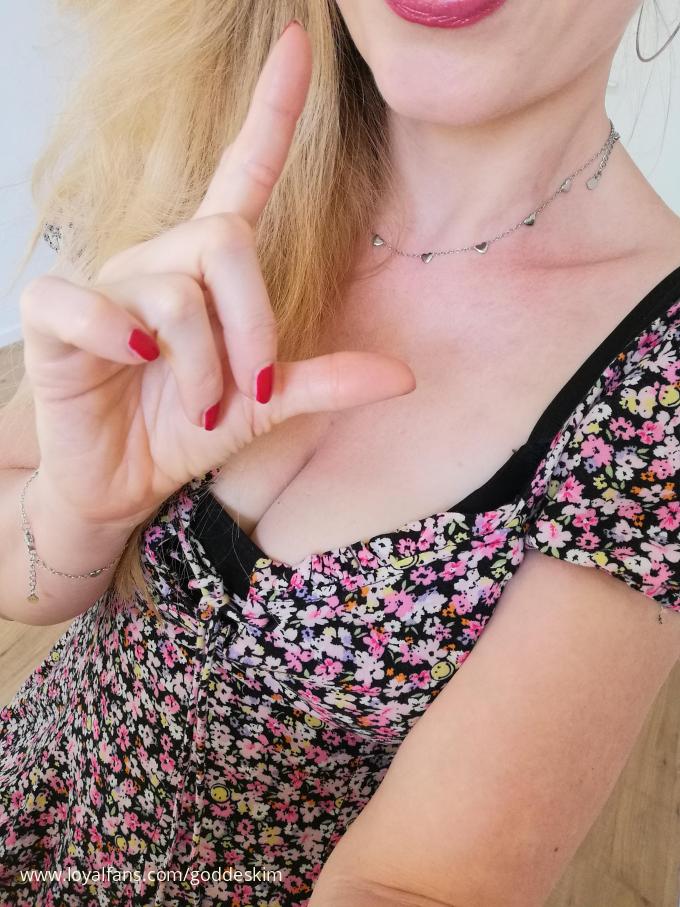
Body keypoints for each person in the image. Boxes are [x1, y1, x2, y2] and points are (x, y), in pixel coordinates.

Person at [1, 1, 680, 904]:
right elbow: (23, 573)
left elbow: (413, 885)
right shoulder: (195, 133)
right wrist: (77, 510)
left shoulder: (659, 381)